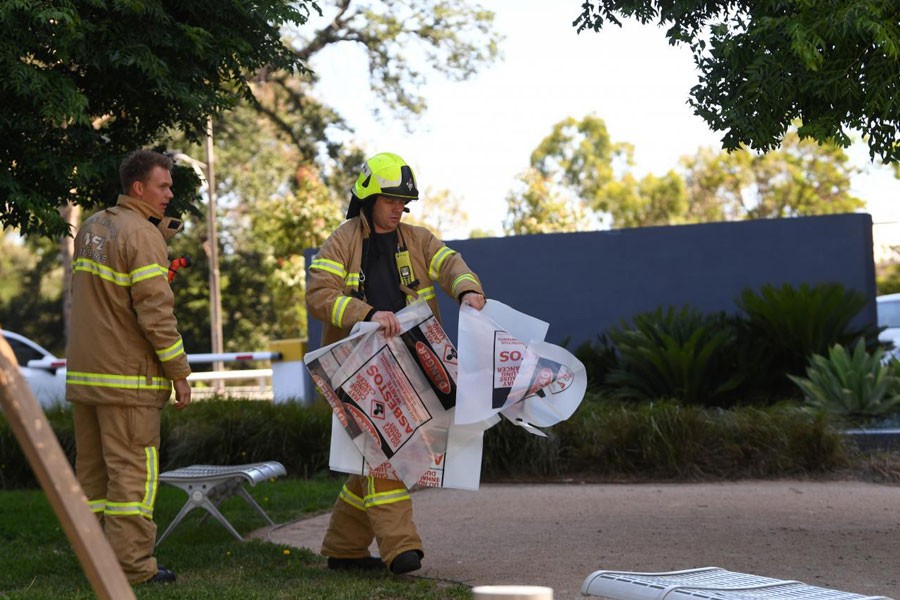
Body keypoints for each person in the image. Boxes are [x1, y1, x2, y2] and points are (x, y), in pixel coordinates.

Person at [307, 152, 486, 575]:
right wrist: (366, 315)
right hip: (358, 370)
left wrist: (467, 291)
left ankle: (344, 549)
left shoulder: (418, 238)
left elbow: (450, 263)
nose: (398, 209)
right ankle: (402, 548)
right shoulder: (342, 241)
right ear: (368, 198)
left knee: (373, 461)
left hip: (410, 368)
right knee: (381, 454)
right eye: (391, 200)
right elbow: (319, 294)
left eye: (403, 202)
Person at [66, 149, 192, 585]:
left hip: (87, 376)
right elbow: (156, 312)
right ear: (138, 188)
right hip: (127, 380)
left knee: (93, 479)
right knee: (133, 478)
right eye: (163, 186)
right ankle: (134, 568)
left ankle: (95, 562)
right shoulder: (141, 234)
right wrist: (179, 371)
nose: (169, 195)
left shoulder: (93, 227)